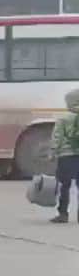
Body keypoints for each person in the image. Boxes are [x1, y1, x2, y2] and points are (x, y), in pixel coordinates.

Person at [51, 89, 79, 223]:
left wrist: (53, 152)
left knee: (65, 185)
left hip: (66, 156)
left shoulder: (63, 118)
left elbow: (57, 137)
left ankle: (63, 214)